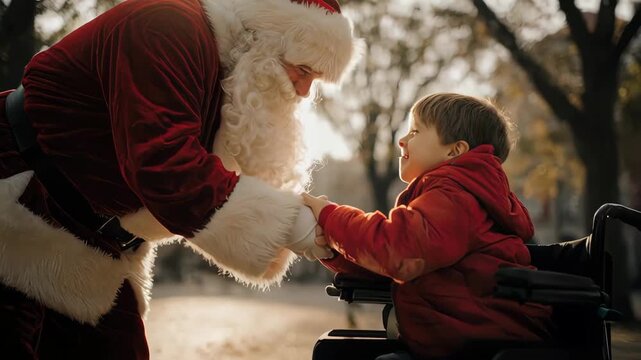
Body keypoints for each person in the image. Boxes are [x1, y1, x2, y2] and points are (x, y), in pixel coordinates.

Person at [0, 0, 360, 358]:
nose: (303, 91)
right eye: (302, 70)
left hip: (84, 241)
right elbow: (166, 165)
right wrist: (296, 228)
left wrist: (333, 235)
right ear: (263, 37)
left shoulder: (230, 72)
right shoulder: (165, 26)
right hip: (18, 199)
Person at [303, 93, 554, 359]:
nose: (402, 140)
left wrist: (330, 217)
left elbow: (399, 249)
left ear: (454, 150)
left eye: (415, 131)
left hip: (483, 344)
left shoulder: (455, 196)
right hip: (465, 337)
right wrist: (333, 251)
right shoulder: (455, 194)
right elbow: (400, 267)